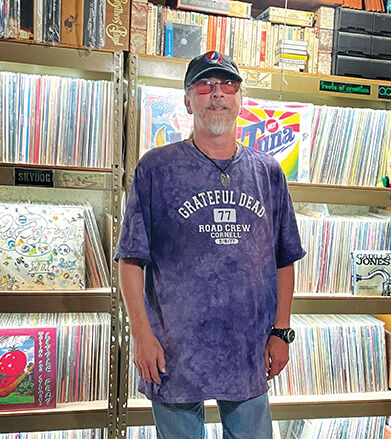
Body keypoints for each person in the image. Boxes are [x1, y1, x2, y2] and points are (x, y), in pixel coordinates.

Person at [115, 51, 306, 439]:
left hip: (248, 348)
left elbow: (283, 258)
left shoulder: (267, 172)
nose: (217, 94)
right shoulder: (156, 169)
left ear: (241, 100)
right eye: (205, 85)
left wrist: (280, 332)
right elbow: (130, 259)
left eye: (227, 85)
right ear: (188, 100)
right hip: (173, 349)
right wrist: (141, 335)